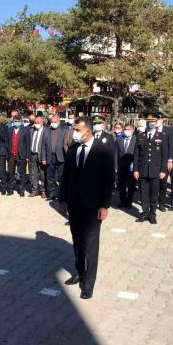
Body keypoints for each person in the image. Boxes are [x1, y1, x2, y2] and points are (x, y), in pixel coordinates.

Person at [58, 116, 114, 300]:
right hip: (75, 204)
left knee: (90, 245)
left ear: (88, 130)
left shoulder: (103, 150)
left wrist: (105, 205)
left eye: (78, 129)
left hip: (93, 207)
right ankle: (79, 273)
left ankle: (88, 283)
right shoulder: (74, 149)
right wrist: (63, 200)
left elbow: (108, 181)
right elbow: (66, 176)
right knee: (77, 241)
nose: (75, 133)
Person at [133, 114, 168, 224]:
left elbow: (164, 155)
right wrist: (135, 170)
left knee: (154, 193)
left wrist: (163, 170)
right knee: (143, 192)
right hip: (143, 170)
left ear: (156, 123)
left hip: (156, 170)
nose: (150, 124)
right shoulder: (140, 136)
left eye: (152, 122)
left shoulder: (161, 136)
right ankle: (144, 212)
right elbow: (136, 154)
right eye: (148, 122)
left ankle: (152, 214)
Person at [7, 115, 31, 196]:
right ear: (13, 122)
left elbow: (28, 144)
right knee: (10, 172)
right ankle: (10, 188)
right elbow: (8, 143)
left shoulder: (25, 130)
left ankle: (21, 189)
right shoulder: (10, 130)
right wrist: (8, 155)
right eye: (15, 121)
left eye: (18, 121)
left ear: (20, 122)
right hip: (11, 155)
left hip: (21, 155)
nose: (16, 122)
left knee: (22, 173)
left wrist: (27, 156)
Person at [115, 123, 137, 208]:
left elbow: (137, 154)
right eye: (125, 129)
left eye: (129, 129)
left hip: (132, 167)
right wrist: (115, 166)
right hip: (121, 167)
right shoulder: (119, 139)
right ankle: (122, 201)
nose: (126, 131)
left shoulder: (136, 139)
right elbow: (116, 153)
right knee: (121, 185)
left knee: (131, 185)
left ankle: (129, 201)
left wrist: (136, 167)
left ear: (133, 130)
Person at [156, 112, 173, 211]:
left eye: (159, 118)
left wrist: (170, 160)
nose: (157, 120)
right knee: (154, 183)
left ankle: (161, 203)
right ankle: (152, 202)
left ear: (162, 119)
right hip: (153, 161)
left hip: (164, 161)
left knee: (163, 183)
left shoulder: (168, 131)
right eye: (156, 119)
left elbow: (171, 146)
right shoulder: (149, 130)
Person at [46, 115, 66, 200]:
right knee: (50, 176)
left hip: (61, 157)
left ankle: (62, 195)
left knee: (61, 177)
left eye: (55, 122)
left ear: (59, 122)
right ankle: (52, 194)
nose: (53, 124)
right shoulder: (47, 131)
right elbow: (44, 145)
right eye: (52, 122)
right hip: (50, 156)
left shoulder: (64, 131)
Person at [29, 116, 49, 198]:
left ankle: (43, 190)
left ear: (42, 123)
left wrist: (44, 158)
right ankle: (34, 190)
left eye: (38, 123)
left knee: (43, 174)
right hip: (32, 155)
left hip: (41, 155)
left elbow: (47, 145)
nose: (36, 124)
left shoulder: (46, 131)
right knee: (34, 173)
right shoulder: (32, 130)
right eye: (35, 123)